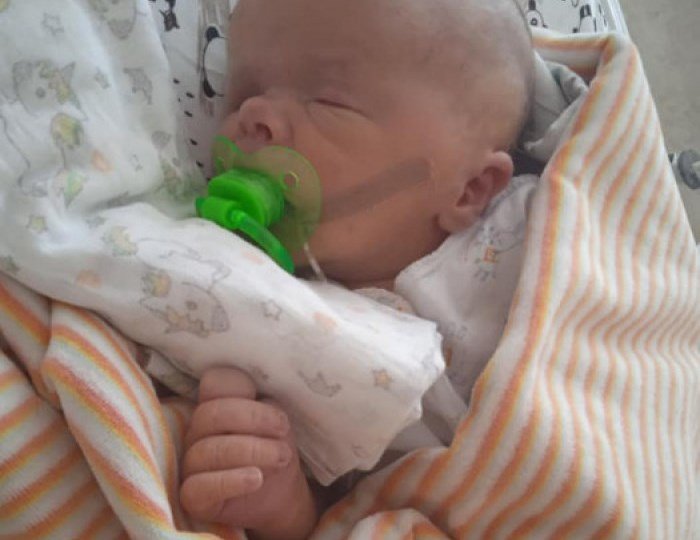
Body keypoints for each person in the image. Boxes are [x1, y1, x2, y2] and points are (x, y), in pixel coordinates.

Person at [179, 0, 535, 537]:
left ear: (470, 188)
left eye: (327, 100)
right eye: (243, 92)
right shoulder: (267, 320)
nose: (255, 116)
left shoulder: (537, 229)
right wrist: (284, 504)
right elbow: (342, 510)